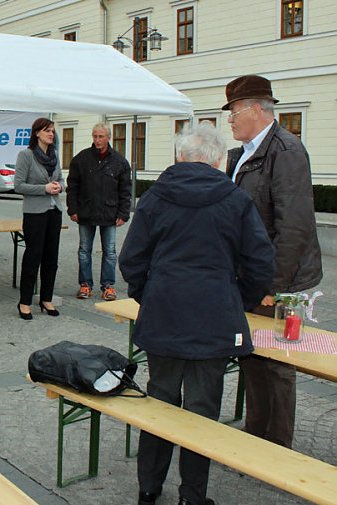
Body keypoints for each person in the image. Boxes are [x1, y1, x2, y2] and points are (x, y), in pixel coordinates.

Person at [119, 122, 275, 505]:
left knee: (159, 404)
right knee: (202, 413)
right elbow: (260, 264)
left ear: (180, 158)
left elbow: (131, 260)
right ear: (219, 160)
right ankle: (192, 495)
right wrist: (236, 299)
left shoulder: (156, 198)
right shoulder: (235, 200)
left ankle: (149, 488)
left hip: (164, 317)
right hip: (214, 321)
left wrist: (151, 296)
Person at [222, 74, 323, 448]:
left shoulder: (286, 151)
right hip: (248, 276)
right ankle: (255, 431)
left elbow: (294, 227)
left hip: (274, 280)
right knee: (251, 354)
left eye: (233, 111)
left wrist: (272, 285)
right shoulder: (242, 154)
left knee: (277, 362)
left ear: (256, 110)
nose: (229, 120)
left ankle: (277, 444)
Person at [67, 123, 131, 301]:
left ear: (108, 137)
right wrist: (72, 209)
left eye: (101, 136)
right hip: (86, 212)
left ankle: (108, 286)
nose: (97, 140)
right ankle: (85, 284)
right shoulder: (81, 159)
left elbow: (126, 191)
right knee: (84, 250)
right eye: (95, 136)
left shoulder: (120, 162)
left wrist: (123, 213)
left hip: (109, 214)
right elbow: (72, 186)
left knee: (110, 252)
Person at [13, 117, 64, 320]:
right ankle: (25, 302)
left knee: (51, 258)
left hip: (54, 211)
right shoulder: (26, 155)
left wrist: (60, 186)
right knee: (33, 257)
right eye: (47, 130)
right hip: (34, 213)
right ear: (37, 133)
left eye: (52, 130)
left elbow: (60, 179)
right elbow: (19, 185)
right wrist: (44, 189)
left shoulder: (55, 155)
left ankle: (46, 299)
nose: (51, 134)